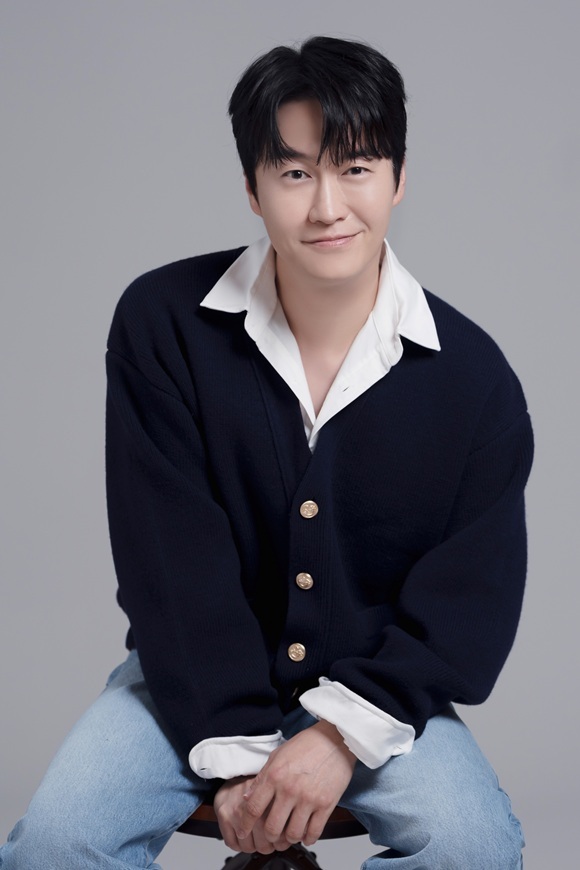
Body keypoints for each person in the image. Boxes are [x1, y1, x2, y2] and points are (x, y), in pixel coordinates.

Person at [0, 36, 533, 870]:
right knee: (57, 847)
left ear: (398, 178)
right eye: (294, 173)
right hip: (186, 676)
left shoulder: (473, 378)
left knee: (473, 849)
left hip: (377, 696)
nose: (328, 207)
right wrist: (238, 751)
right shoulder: (164, 324)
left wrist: (339, 737)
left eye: (356, 169)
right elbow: (169, 562)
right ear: (251, 189)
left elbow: (471, 603)